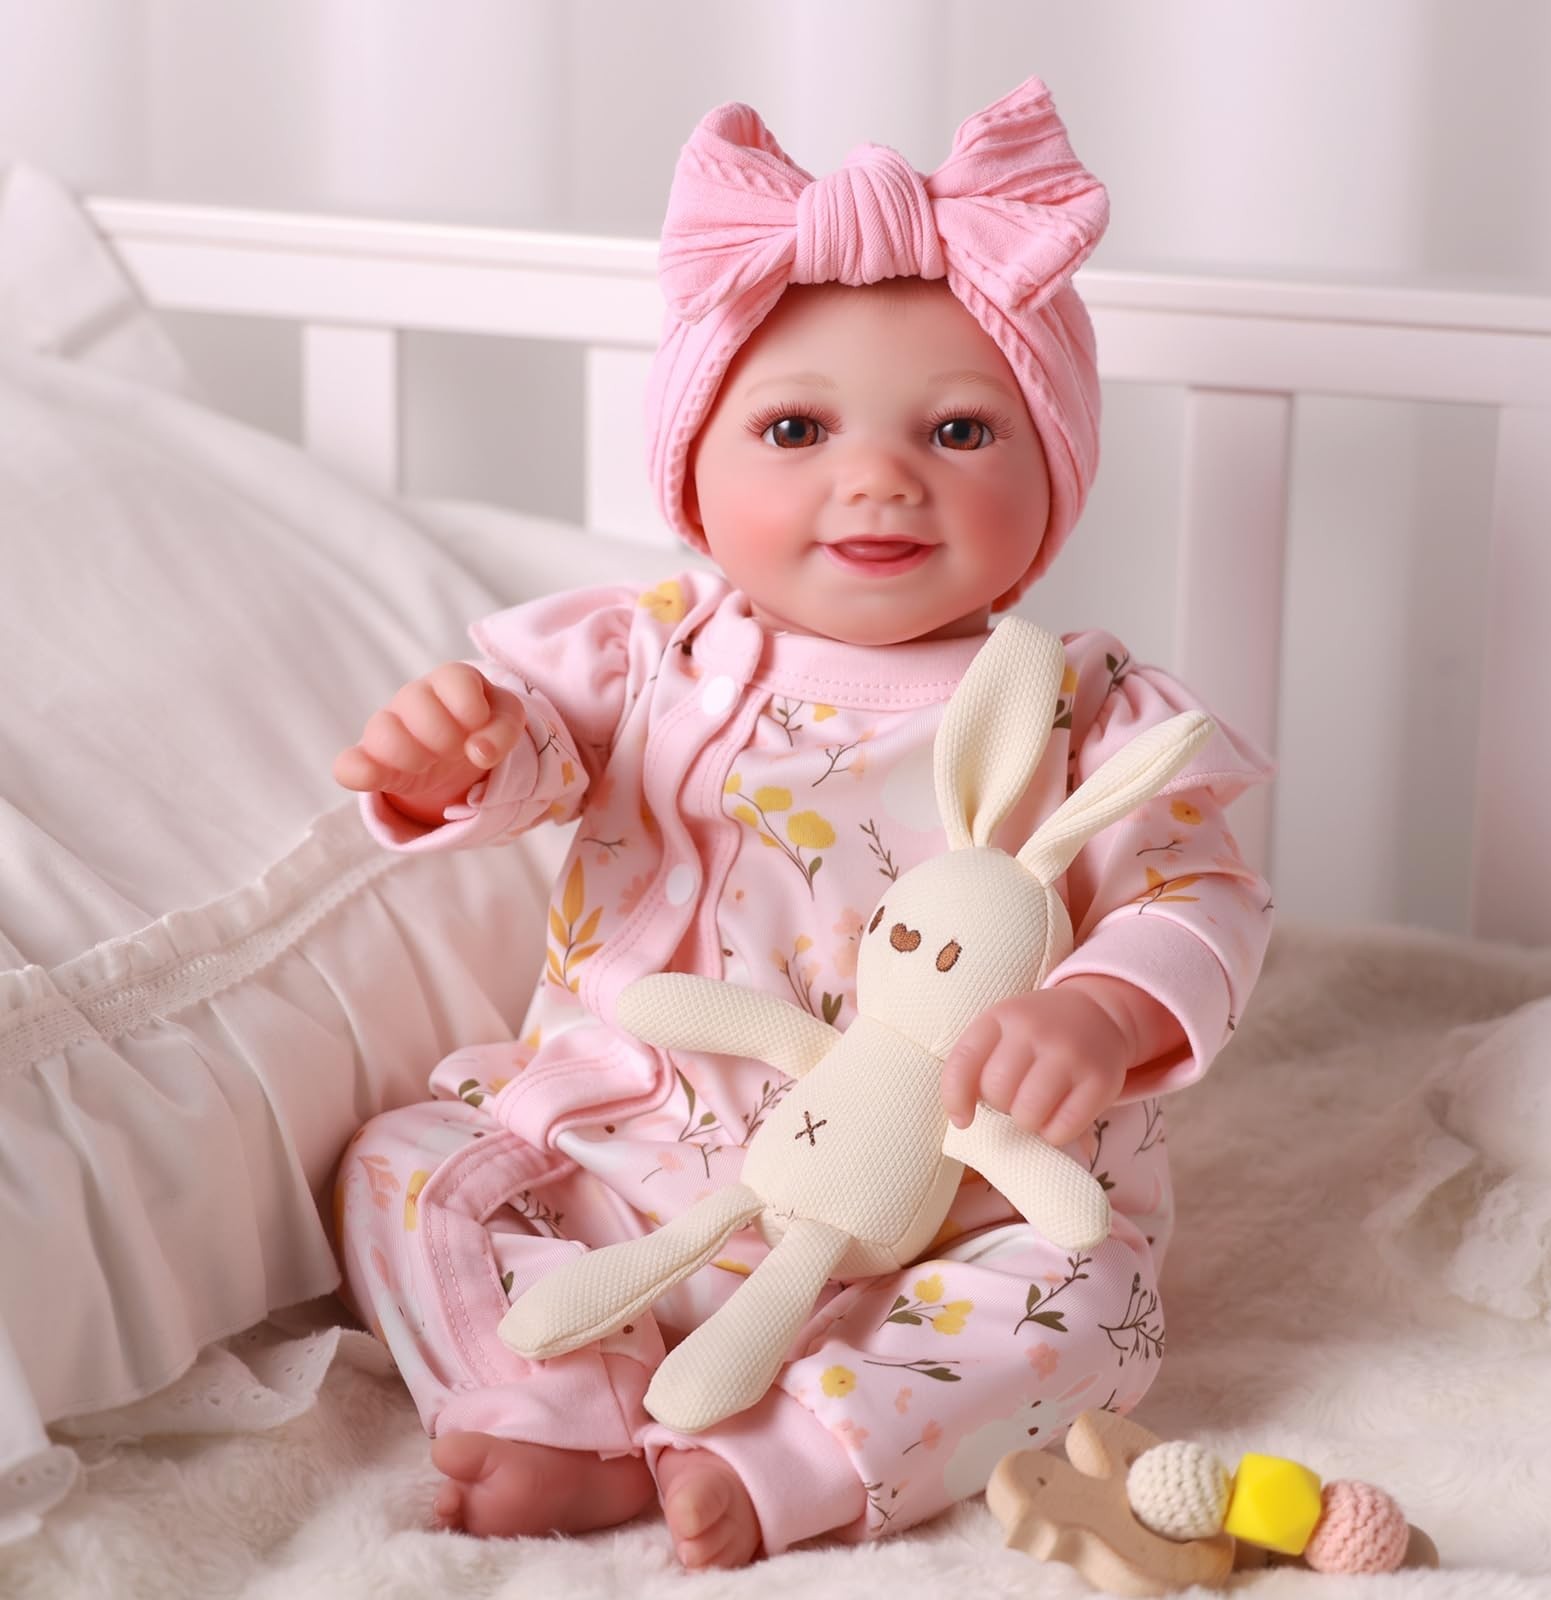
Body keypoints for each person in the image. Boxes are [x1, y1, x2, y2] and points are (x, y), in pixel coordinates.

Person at [329, 75, 1274, 1570]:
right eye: (794, 425)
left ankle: (791, 1453)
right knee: (404, 1164)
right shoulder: (644, 654)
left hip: (948, 1205)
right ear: (695, 476)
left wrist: (1100, 1012)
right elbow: (535, 756)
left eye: (959, 429)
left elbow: (1198, 892)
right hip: (626, 1163)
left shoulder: (1083, 710)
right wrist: (462, 751)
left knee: (1097, 1308)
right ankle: (562, 1403)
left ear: (1054, 477)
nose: (879, 476)